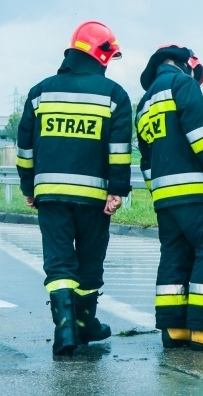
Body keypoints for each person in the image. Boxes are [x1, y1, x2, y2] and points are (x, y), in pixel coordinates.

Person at [16, 20, 132, 356]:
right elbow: (119, 149)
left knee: (59, 262)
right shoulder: (114, 95)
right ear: (102, 54)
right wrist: (117, 190)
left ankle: (65, 330)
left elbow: (26, 148)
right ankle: (85, 322)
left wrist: (29, 185)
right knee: (90, 260)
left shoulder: (41, 92)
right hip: (94, 198)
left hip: (50, 194)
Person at [135, 44, 203, 351]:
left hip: (165, 197)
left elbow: (146, 160)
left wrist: (157, 195)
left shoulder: (144, 103)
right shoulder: (182, 84)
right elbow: (200, 136)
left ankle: (174, 328)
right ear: (187, 64)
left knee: (174, 256)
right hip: (193, 190)